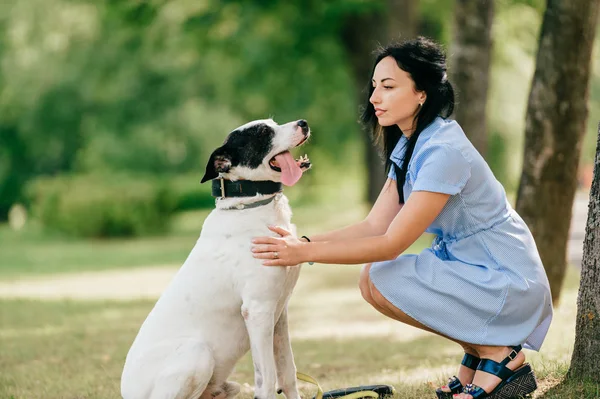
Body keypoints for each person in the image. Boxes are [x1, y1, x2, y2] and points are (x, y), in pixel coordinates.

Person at [251, 37, 553, 399]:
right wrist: (304, 244)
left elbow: (391, 243)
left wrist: (302, 254)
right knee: (372, 282)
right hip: (474, 271)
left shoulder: (443, 150)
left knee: (379, 275)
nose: (375, 97)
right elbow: (373, 226)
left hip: (506, 278)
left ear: (422, 92)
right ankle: (479, 354)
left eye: (389, 87)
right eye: (374, 87)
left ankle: (499, 355)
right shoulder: (412, 145)